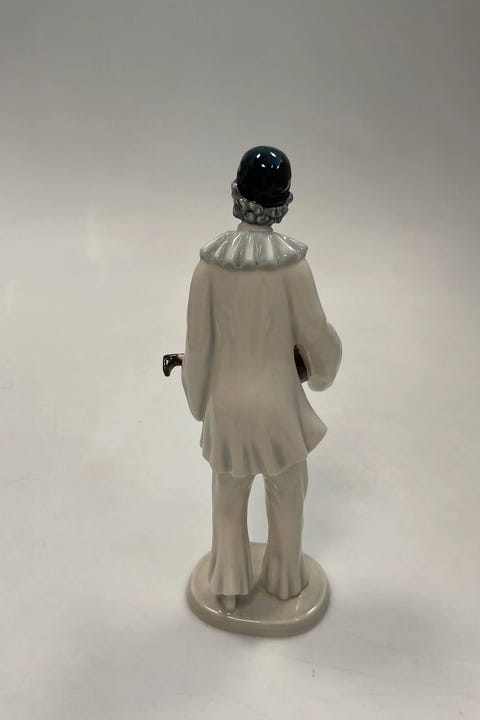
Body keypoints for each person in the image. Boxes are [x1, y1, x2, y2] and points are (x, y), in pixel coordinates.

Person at [181, 146, 342, 612]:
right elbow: (317, 338)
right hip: (278, 410)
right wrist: (323, 372)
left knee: (228, 498)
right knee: (288, 491)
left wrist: (198, 402)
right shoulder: (293, 269)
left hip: (228, 407)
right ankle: (285, 579)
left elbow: (198, 349)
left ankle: (228, 584)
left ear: (235, 194)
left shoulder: (208, 270)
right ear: (284, 204)